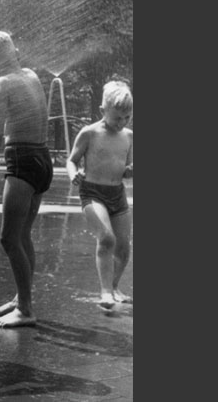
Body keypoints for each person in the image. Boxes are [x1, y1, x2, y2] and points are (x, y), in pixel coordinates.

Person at [0, 31, 53, 329]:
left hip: (22, 161)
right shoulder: (31, 75)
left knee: (9, 238)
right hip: (42, 159)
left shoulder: (1, 82)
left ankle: (26, 310)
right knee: (23, 235)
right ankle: (22, 299)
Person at [66, 80, 133, 309]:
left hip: (117, 194)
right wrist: (73, 174)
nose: (121, 123)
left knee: (124, 248)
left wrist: (129, 171)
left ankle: (113, 286)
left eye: (127, 117)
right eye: (117, 118)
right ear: (103, 110)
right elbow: (72, 160)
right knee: (107, 239)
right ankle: (105, 292)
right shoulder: (90, 133)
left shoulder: (129, 136)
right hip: (93, 193)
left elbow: (126, 168)